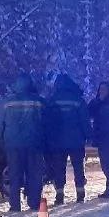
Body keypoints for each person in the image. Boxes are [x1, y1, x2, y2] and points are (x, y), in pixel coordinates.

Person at [0, 73, 46, 212]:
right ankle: (34, 202)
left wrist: (1, 139)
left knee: (14, 175)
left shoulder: (6, 102)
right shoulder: (38, 101)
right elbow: (45, 122)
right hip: (34, 143)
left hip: (13, 144)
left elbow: (1, 123)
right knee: (34, 174)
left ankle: (15, 205)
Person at [44, 73, 89, 205]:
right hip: (76, 140)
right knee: (78, 167)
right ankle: (80, 193)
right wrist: (88, 135)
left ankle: (59, 194)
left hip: (57, 141)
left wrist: (48, 138)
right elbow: (84, 120)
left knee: (59, 168)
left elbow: (47, 121)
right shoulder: (77, 99)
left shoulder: (52, 100)